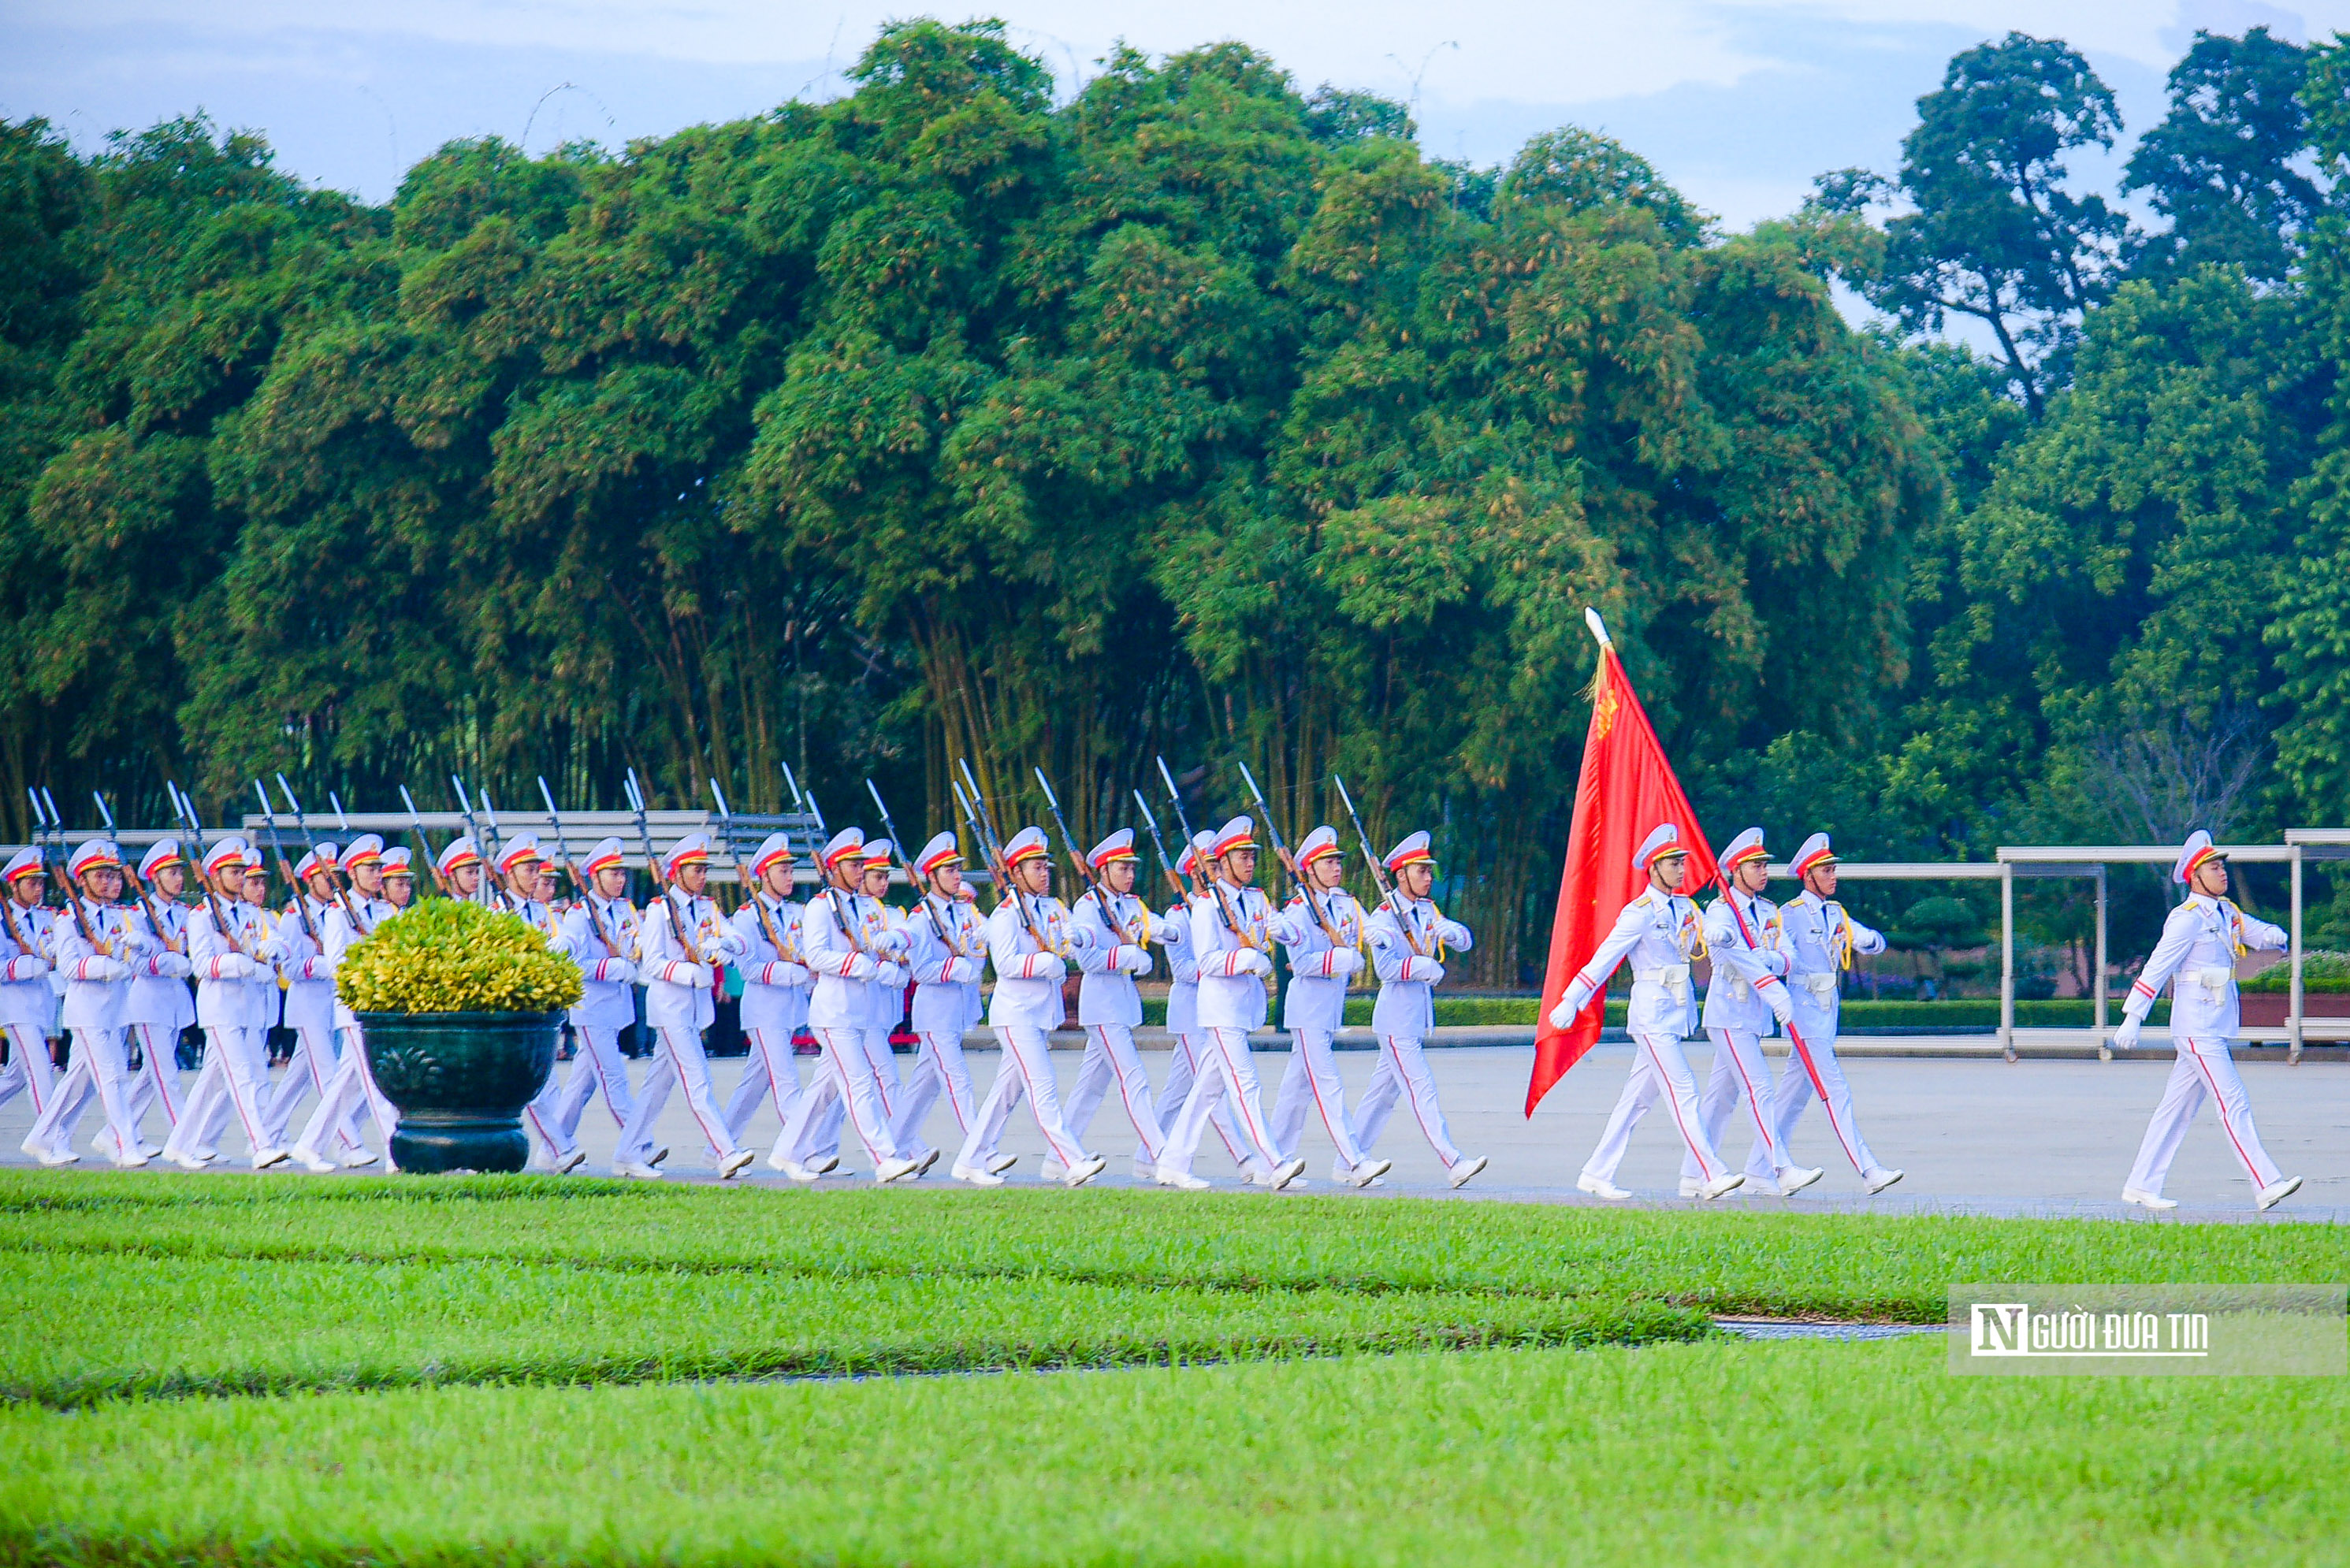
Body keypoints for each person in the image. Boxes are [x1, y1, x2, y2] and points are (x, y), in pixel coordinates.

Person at [1553, 824, 1745, 1201]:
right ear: (1653, 868)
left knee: (1636, 1100)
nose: (1680, 869)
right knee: (1684, 1089)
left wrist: (1723, 933)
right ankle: (1710, 1172)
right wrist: (1572, 998)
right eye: (1673, 863)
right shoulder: (1638, 913)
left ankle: (1596, 1172)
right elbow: (1605, 957)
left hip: (1674, 1014)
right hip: (1651, 1015)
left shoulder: (1685, 907)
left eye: (1681, 862)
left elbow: (1709, 930)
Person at [2114, 831, 2302, 1212]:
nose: (2222, 873)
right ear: (2194, 877)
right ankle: (2265, 1182)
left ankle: (2140, 1183)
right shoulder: (2186, 920)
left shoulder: (2225, 911)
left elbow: (2252, 928)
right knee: (2233, 1100)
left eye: (2222, 866)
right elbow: (2157, 966)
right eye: (2213, 868)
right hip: (2196, 1025)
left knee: (2175, 1109)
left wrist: (2274, 936)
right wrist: (2133, 1016)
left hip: (2212, 1022)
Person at [1155, 816, 1307, 1191]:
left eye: (1251, 855)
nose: (1249, 862)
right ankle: (1273, 1162)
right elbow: (1206, 961)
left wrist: (1284, 929)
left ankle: (1172, 1163)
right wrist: (1245, 960)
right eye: (1241, 856)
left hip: (1243, 1007)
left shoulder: (1255, 899)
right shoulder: (1206, 906)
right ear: (1221, 862)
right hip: (1220, 1008)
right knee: (1245, 1085)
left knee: (1206, 1090)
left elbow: (1285, 930)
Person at [1672, 829, 1823, 1199]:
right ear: (1736, 871)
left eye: (1765, 864)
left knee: (1720, 1098)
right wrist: (1726, 937)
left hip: (1752, 1016)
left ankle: (1694, 1174)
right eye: (1755, 865)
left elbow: (1789, 958)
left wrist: (1766, 959)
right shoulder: (1721, 909)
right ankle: (1780, 1167)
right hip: (1729, 1013)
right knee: (1759, 1087)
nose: (1763, 871)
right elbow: (1718, 936)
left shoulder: (1770, 911)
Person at [952, 826, 1106, 1187]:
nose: (1044, 873)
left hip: (1038, 1014)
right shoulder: (1006, 915)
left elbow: (1077, 934)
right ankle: (1072, 1160)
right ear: (1016, 873)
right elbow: (1004, 964)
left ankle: (970, 1159)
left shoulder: (1052, 908)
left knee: (1005, 1094)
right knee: (1043, 1086)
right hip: (1016, 1013)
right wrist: (1043, 964)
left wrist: (1079, 936)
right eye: (1036, 867)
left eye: (1045, 867)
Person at [1749, 834, 1901, 1194]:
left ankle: (1758, 1169)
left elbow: (1871, 940)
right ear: (1808, 875)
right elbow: (1776, 955)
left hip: (1826, 1013)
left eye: (1833, 869)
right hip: (1803, 1014)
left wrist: (1868, 940)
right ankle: (1868, 1170)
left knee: (1792, 1098)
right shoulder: (1788, 914)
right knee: (1836, 1091)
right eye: (1826, 870)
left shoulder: (1836, 913)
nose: (1833, 876)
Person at [775, 828, 924, 1183]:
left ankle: (786, 1152)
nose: (861, 870)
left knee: (823, 1090)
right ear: (834, 868)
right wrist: (855, 964)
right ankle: (884, 1157)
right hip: (833, 1012)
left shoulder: (863, 907)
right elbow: (815, 955)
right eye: (853, 864)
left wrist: (890, 950)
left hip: (859, 1013)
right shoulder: (819, 907)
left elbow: (897, 936)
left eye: (861, 864)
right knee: (859, 1083)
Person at [613, 834, 756, 1180]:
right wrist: (691, 973)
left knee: (656, 1087)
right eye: (695, 869)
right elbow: (653, 963)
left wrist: (724, 946)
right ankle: (724, 1151)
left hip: (695, 1010)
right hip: (671, 1007)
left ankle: (626, 1152)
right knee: (698, 1079)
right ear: (676, 872)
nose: (702, 876)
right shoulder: (662, 910)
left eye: (704, 869)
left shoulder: (707, 907)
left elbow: (739, 938)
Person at [1355, 830, 1486, 1188]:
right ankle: (1452, 1160)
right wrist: (1418, 967)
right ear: (1401, 875)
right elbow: (1384, 970)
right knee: (1421, 1087)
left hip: (1414, 1017)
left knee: (1381, 1095)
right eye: (1421, 871)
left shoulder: (1428, 910)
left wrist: (1454, 932)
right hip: (1395, 1017)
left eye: (1429, 871)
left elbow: (1463, 942)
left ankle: (1348, 1158)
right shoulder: (1383, 915)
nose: (1429, 878)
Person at [1270, 826, 1389, 1187]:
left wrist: (1380, 935)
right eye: (1327, 862)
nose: (1336, 867)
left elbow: (1369, 929)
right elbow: (1301, 964)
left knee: (1296, 1091)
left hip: (1328, 1011)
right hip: (1307, 1009)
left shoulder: (1346, 904)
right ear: (1308, 867)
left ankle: (1271, 1160)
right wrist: (1338, 960)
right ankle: (1354, 1162)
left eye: (1337, 861)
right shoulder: (1298, 910)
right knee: (1327, 1084)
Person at [24, 840, 156, 1167]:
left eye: (114, 877)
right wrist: (104, 968)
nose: (110, 883)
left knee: (78, 1084)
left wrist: (141, 945)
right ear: (81, 880)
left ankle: (42, 1138)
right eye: (100, 877)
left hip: (116, 1010)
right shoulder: (68, 919)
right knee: (112, 1077)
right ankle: (125, 1145)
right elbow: (69, 967)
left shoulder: (123, 915)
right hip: (87, 1012)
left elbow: (146, 955)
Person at [162, 840, 292, 1170]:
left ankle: (179, 1144)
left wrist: (272, 949)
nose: (240, 878)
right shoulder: (202, 915)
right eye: (234, 872)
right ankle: (261, 1145)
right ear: (215, 876)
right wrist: (238, 964)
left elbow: (259, 945)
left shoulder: (249, 913)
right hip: (219, 1009)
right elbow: (202, 965)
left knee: (212, 1083)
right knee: (241, 1077)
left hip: (247, 1008)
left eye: (242, 872)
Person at [1058, 829, 1173, 1180]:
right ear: (1104, 870)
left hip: (1121, 1005)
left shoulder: (1131, 905)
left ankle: (1057, 1154)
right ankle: (1161, 1154)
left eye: (1131, 868)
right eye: (1122, 868)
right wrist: (1121, 954)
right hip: (1102, 1005)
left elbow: (1157, 927)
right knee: (1133, 1076)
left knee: (1090, 1086)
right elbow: (1088, 959)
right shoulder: (1088, 907)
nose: (1130, 874)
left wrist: (1170, 933)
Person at [522, 836, 641, 1174]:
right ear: (595, 876)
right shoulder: (576, 915)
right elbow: (575, 959)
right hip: (588, 1006)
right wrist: (610, 967)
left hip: (606, 1007)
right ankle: (634, 1146)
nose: (620, 879)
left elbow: (636, 947)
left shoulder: (622, 910)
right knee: (612, 1077)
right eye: (612, 873)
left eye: (621, 873)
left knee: (580, 1084)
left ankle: (553, 1148)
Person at [288, 834, 400, 1172]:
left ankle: (308, 1145)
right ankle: (398, 1153)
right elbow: (337, 963)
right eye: (370, 868)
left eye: (379, 867)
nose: (377, 873)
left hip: (378, 1009)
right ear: (352, 873)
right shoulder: (338, 914)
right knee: (374, 1081)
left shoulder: (383, 910)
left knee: (345, 1084)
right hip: (354, 1008)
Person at [893, 831, 1000, 1171]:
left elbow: (981, 942)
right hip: (935, 1013)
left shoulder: (964, 913)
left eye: (958, 870)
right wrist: (952, 967)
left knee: (921, 1090)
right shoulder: (921, 918)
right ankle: (981, 1152)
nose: (957, 876)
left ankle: (892, 1149)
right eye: (950, 870)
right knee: (958, 1081)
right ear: (933, 876)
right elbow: (921, 970)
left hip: (954, 1012)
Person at [721, 832, 812, 1166]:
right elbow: (748, 969)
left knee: (753, 1086)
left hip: (787, 1010)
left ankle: (718, 1146)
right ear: (764, 874)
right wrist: (788, 973)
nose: (789, 877)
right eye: (783, 871)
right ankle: (802, 1152)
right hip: (764, 1011)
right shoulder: (747, 917)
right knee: (787, 1081)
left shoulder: (794, 913)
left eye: (790, 871)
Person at [108, 839, 197, 1157]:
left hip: (175, 1002)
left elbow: (189, 953)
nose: (179, 878)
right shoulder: (138, 914)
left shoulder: (185, 912)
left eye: (179, 872)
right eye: (171, 872)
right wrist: (167, 961)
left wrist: (181, 961)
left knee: (152, 1074)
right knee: (167, 1076)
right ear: (154, 878)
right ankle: (185, 1142)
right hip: (148, 1002)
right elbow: (134, 961)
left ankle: (112, 1133)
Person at [259, 845, 349, 1156]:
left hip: (331, 1005)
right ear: (311, 880)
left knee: (298, 1078)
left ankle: (266, 1132)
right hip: (307, 1006)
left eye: (337, 876)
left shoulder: (338, 911)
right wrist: (328, 967)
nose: (334, 882)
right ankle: (347, 1143)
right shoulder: (295, 916)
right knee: (329, 1074)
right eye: (328, 877)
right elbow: (291, 968)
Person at [0, 850, 59, 1126]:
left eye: (41, 883)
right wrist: (25, 967)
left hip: (41, 1005)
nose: (39, 889)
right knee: (40, 1070)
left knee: (16, 1077)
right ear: (14, 885)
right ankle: (49, 1138)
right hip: (15, 1007)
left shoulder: (48, 918)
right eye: (31, 883)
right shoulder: (2, 921)